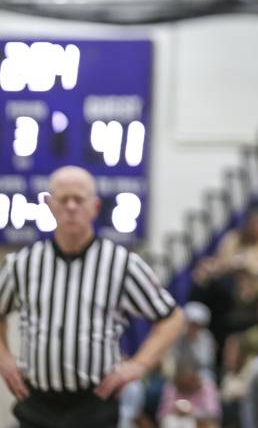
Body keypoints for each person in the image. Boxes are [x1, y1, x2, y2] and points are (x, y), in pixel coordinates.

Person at [0, 165, 184, 428]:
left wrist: (138, 365)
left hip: (95, 403)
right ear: (49, 205)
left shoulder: (121, 264)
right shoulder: (23, 263)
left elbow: (172, 318)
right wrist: (4, 359)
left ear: (95, 206)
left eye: (79, 199)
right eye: (63, 199)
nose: (71, 207)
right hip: (36, 402)